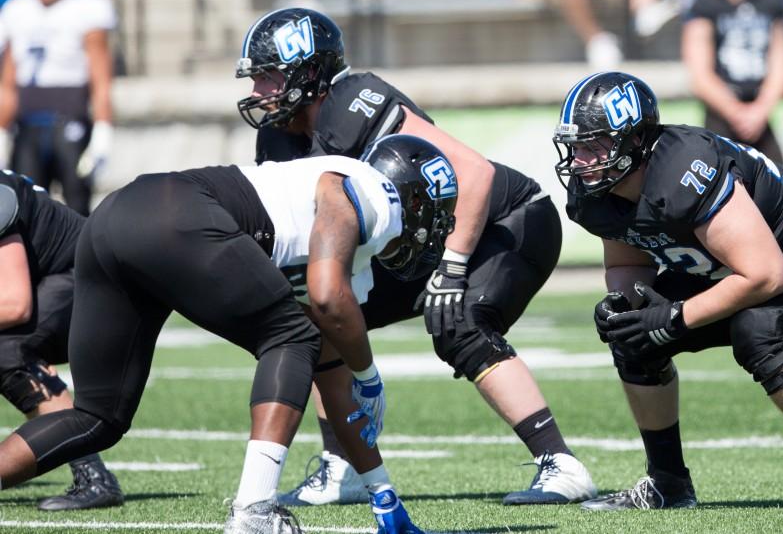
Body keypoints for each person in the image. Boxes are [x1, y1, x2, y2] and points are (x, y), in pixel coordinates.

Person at [0, 135, 455, 534]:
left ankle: (278, 507)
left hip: (113, 217)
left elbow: (332, 372)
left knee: (98, 417)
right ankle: (254, 512)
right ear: (414, 200)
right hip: (174, 214)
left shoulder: (349, 244)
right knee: (291, 337)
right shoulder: (373, 192)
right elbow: (326, 297)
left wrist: (383, 493)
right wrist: (370, 373)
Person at [236, 7, 597, 506]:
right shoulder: (278, 136)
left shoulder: (354, 104)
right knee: (321, 316)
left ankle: (560, 463)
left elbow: (473, 175)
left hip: (507, 220)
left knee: (459, 319)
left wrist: (451, 267)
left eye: (269, 76)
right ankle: (344, 466)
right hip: (419, 238)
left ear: (310, 72)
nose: (258, 91)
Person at [553, 71, 783, 514]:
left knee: (760, 326)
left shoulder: (684, 167)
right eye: (575, 147)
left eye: (593, 145)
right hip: (748, 265)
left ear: (635, 140)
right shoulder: (593, 193)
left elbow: (765, 276)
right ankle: (668, 485)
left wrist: (676, 316)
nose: (580, 160)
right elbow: (628, 263)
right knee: (631, 335)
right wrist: (624, 302)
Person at [0, 168, 123, 511]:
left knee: (8, 349)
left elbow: (14, 304)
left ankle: (93, 476)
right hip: (62, 281)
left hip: (96, 281)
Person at [0, 0, 115, 215]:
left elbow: (101, 76)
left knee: (77, 201)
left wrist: (103, 129)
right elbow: (8, 80)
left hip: (68, 116)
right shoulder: (18, 11)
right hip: (28, 122)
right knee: (25, 206)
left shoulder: (86, 8)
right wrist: (1, 130)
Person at [681, 0, 783, 164]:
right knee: (722, 181)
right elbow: (700, 75)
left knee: (782, 182)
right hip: (721, 110)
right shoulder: (707, 4)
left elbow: (780, 63)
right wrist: (736, 112)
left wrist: (760, 110)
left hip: (759, 110)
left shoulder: (770, 2)